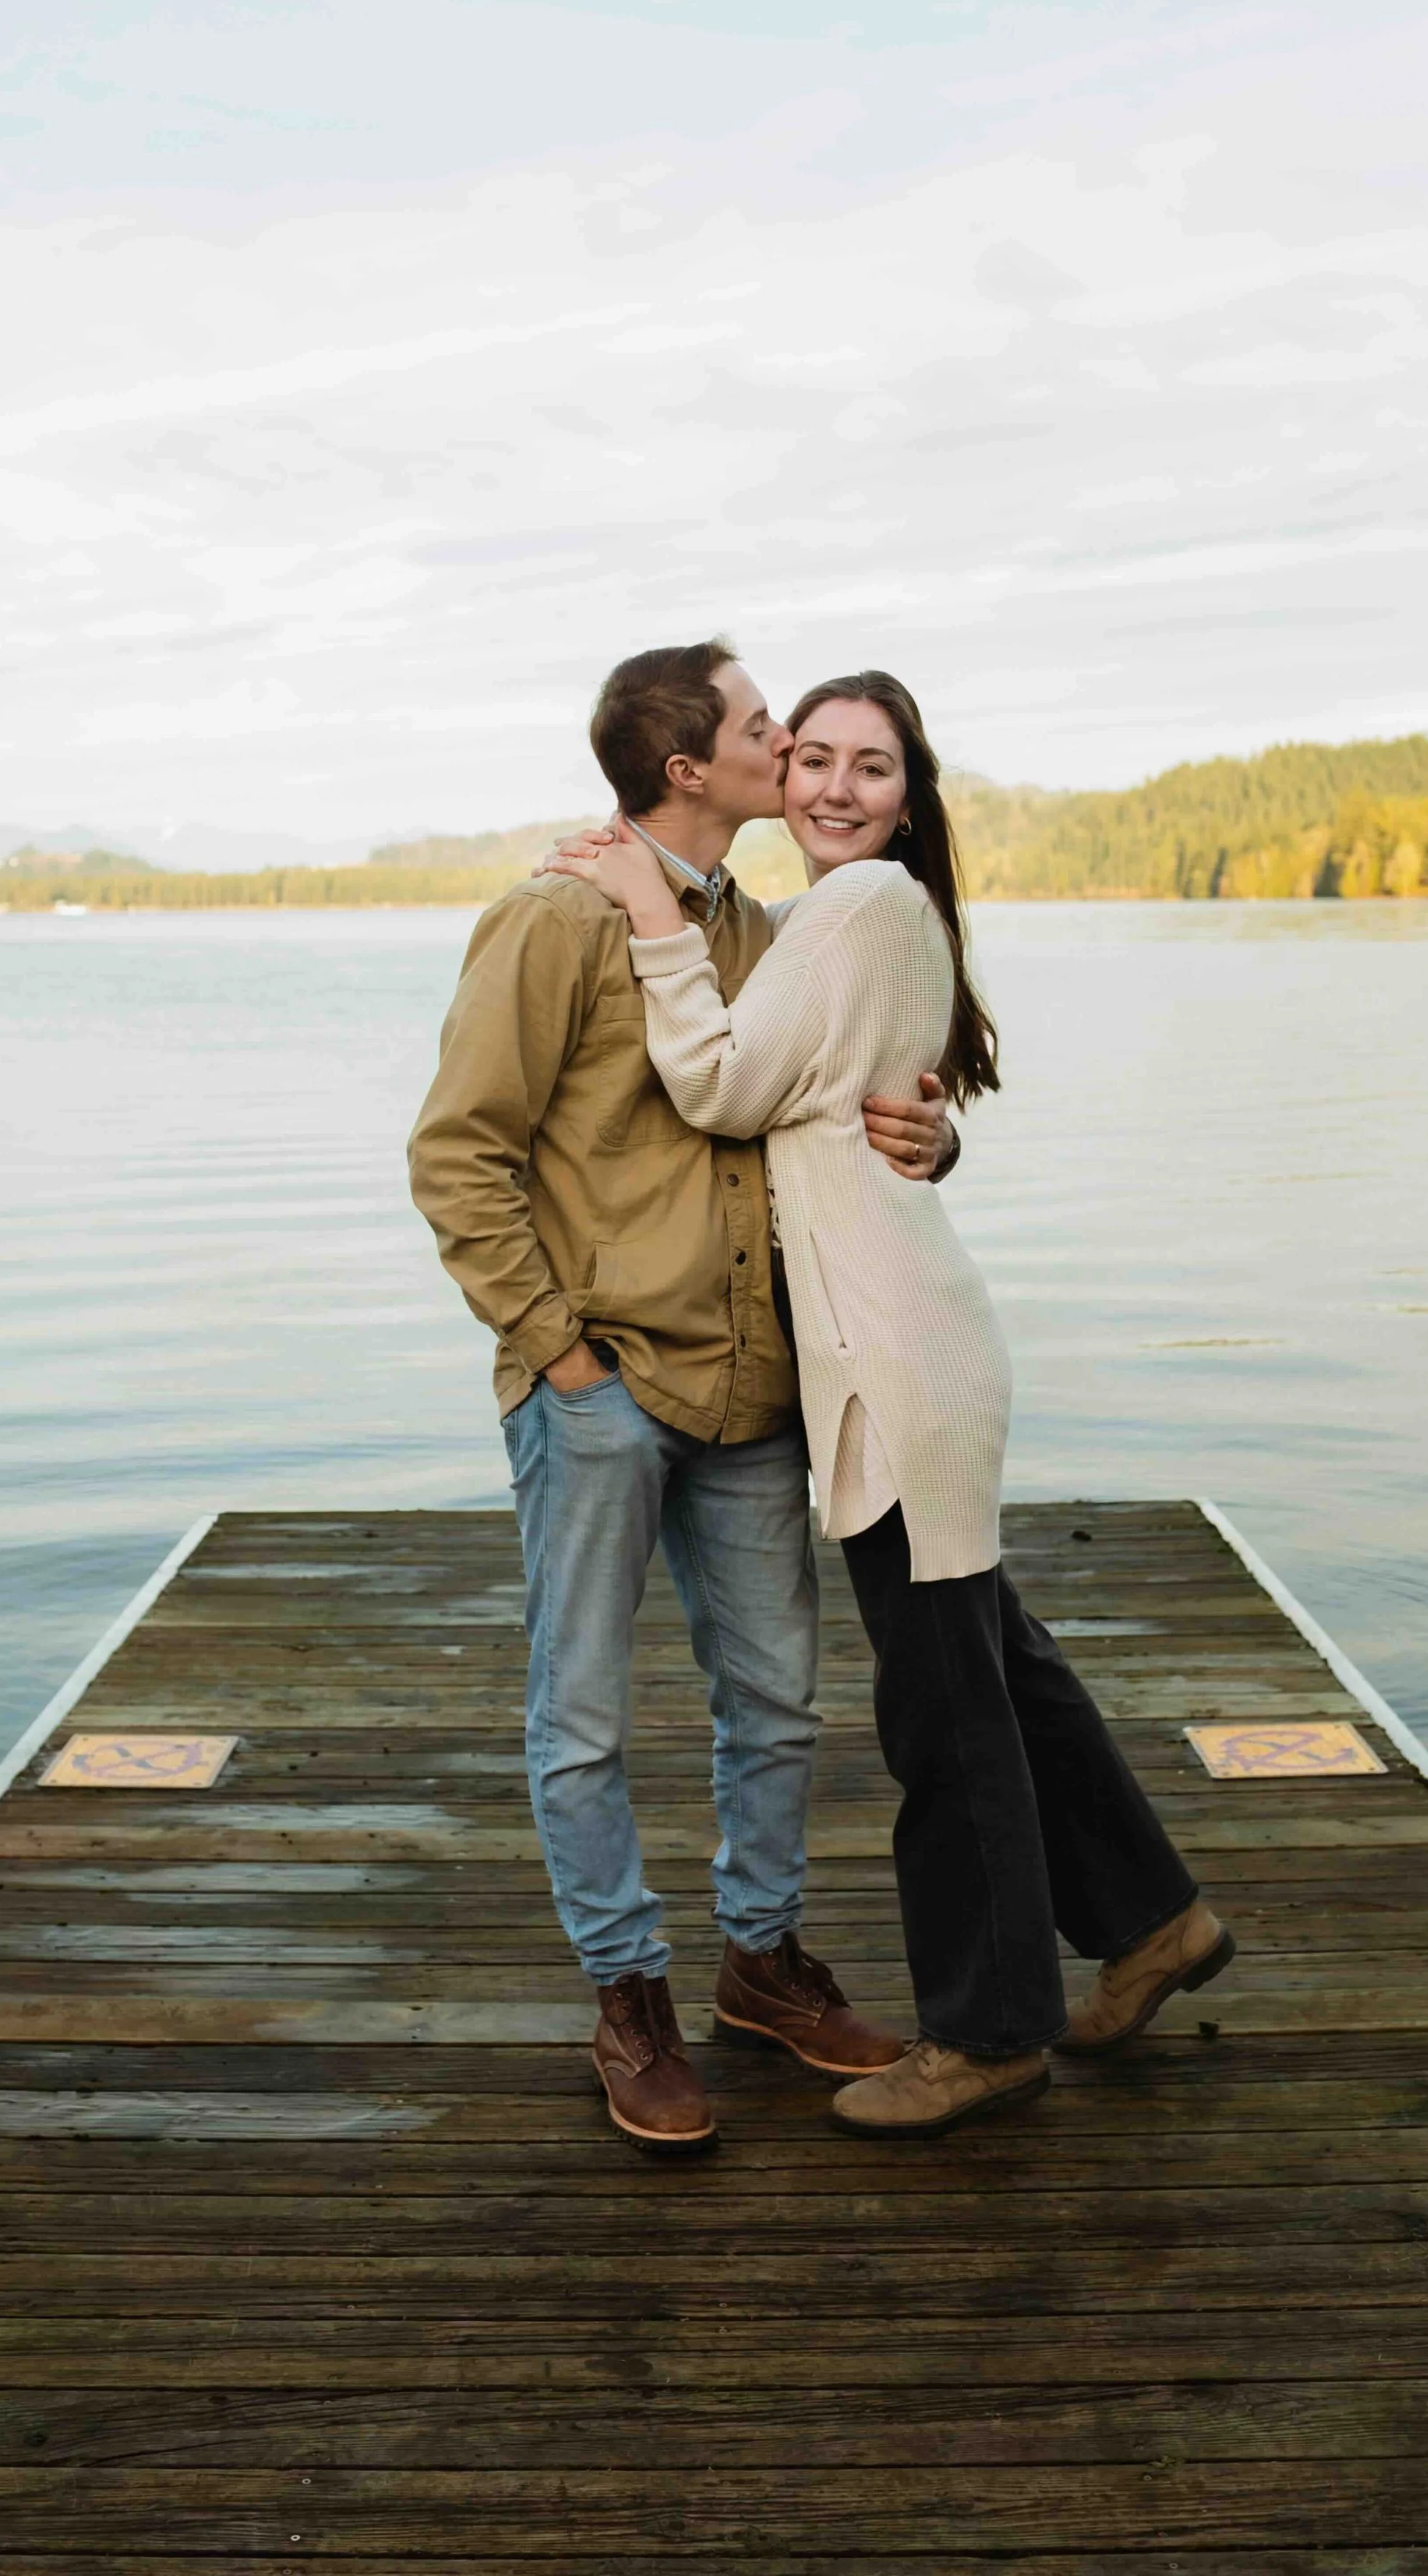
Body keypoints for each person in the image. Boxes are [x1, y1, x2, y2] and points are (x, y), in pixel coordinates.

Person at [539, 668, 1234, 2139]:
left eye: (869, 767)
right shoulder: (844, 922)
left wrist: (653, 921)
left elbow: (724, 1092)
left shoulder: (854, 909)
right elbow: (854, 1105)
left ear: (908, 797)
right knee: (998, 1664)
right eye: (809, 759)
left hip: (895, 1363)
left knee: (946, 1717)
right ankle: (1153, 1921)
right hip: (911, 1337)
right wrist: (926, 1140)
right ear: (775, 777)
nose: (833, 788)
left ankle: (986, 2034)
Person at [408, 642, 960, 2156]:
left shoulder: (773, 932)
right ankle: (625, 1993)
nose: (787, 748)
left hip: (754, 1385)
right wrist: (560, 1358)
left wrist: (931, 1140)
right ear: (686, 769)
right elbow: (457, 1155)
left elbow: (860, 1103)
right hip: (601, 1387)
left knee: (776, 1702)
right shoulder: (549, 921)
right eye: (761, 726)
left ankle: (760, 1963)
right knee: (580, 1716)